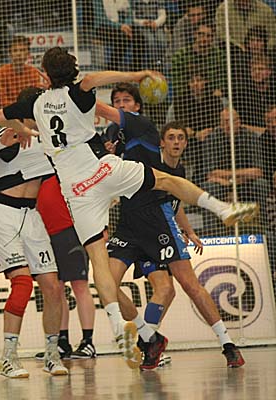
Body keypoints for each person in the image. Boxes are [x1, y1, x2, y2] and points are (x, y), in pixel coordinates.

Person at [0, 46, 257, 369]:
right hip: (103, 170)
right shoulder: (80, 93)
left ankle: (119, 326)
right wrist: (137, 74)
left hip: (77, 190)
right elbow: (93, 79)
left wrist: (25, 130)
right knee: (166, 180)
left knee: (98, 261)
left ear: (44, 75)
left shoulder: (35, 102)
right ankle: (222, 208)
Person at [103, 90, 246, 369]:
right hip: (129, 225)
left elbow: (175, 202)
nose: (176, 142)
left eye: (181, 138)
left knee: (180, 286)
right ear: (161, 142)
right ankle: (149, 338)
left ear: (186, 143)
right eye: (171, 137)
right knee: (109, 282)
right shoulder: (140, 145)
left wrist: (189, 231)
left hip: (158, 228)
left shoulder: (179, 172)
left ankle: (227, 343)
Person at [0, 87, 67, 378]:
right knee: (22, 283)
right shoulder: (12, 132)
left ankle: (52, 354)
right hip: (3, 214)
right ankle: (8, 357)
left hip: (32, 216)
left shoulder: (52, 138)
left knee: (53, 287)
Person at [34, 174, 97, 361]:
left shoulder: (65, 168)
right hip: (47, 235)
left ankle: (88, 342)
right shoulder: (37, 173)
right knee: (57, 288)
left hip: (71, 232)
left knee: (80, 286)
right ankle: (62, 342)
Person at [0, 35, 44, 108]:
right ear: (10, 53)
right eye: (15, 50)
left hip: (27, 110)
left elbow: (35, 98)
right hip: (7, 111)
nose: (18, 54)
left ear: (28, 53)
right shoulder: (0, 72)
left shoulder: (33, 73)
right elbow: (1, 100)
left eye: (22, 50)